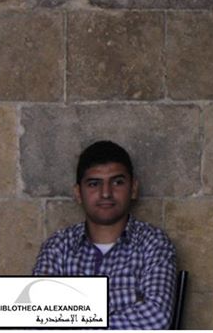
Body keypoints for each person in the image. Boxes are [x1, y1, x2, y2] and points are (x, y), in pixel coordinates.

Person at [33, 140, 177, 329]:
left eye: (117, 182)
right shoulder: (58, 246)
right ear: (78, 193)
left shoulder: (153, 243)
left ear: (133, 188)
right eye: (94, 184)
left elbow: (156, 318)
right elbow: (37, 318)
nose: (106, 193)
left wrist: (73, 322)